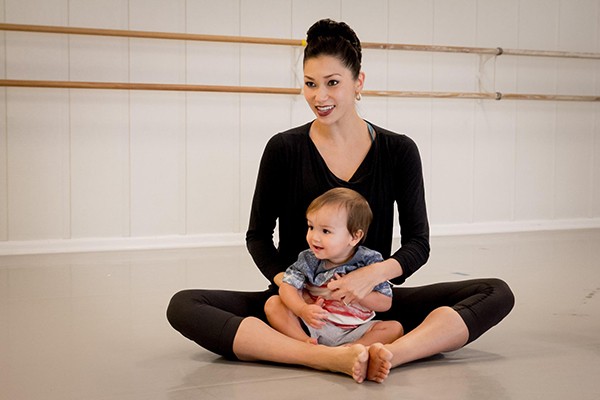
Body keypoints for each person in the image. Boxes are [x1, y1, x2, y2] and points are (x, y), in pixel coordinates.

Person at [167, 18, 515, 384]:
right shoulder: (283, 149)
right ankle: (319, 356)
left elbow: (418, 243)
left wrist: (369, 278)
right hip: (302, 305)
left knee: (496, 293)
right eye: (310, 84)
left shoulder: (399, 151)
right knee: (184, 306)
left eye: (333, 83)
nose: (320, 97)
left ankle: (388, 355)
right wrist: (293, 289)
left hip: (367, 306)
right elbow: (258, 236)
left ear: (358, 82)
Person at [265, 187, 404, 347]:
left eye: (325, 231)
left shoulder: (369, 261)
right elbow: (287, 286)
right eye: (311, 227)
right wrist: (302, 309)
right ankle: (306, 344)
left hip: (355, 330)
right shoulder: (309, 259)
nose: (314, 237)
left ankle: (352, 348)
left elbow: (385, 303)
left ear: (354, 236)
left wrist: (358, 293)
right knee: (273, 304)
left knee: (394, 328)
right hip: (314, 325)